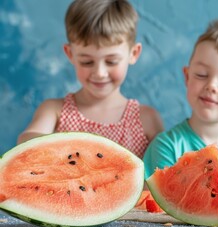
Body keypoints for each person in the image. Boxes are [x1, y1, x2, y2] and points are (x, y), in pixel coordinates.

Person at [17, 0, 163, 158]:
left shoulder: (147, 119)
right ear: (70, 54)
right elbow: (25, 141)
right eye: (87, 62)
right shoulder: (54, 111)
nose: (100, 72)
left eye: (111, 61)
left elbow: (161, 171)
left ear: (133, 53)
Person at [144, 20, 218, 178]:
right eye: (201, 74)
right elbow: (162, 200)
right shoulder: (166, 146)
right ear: (187, 77)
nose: (212, 86)